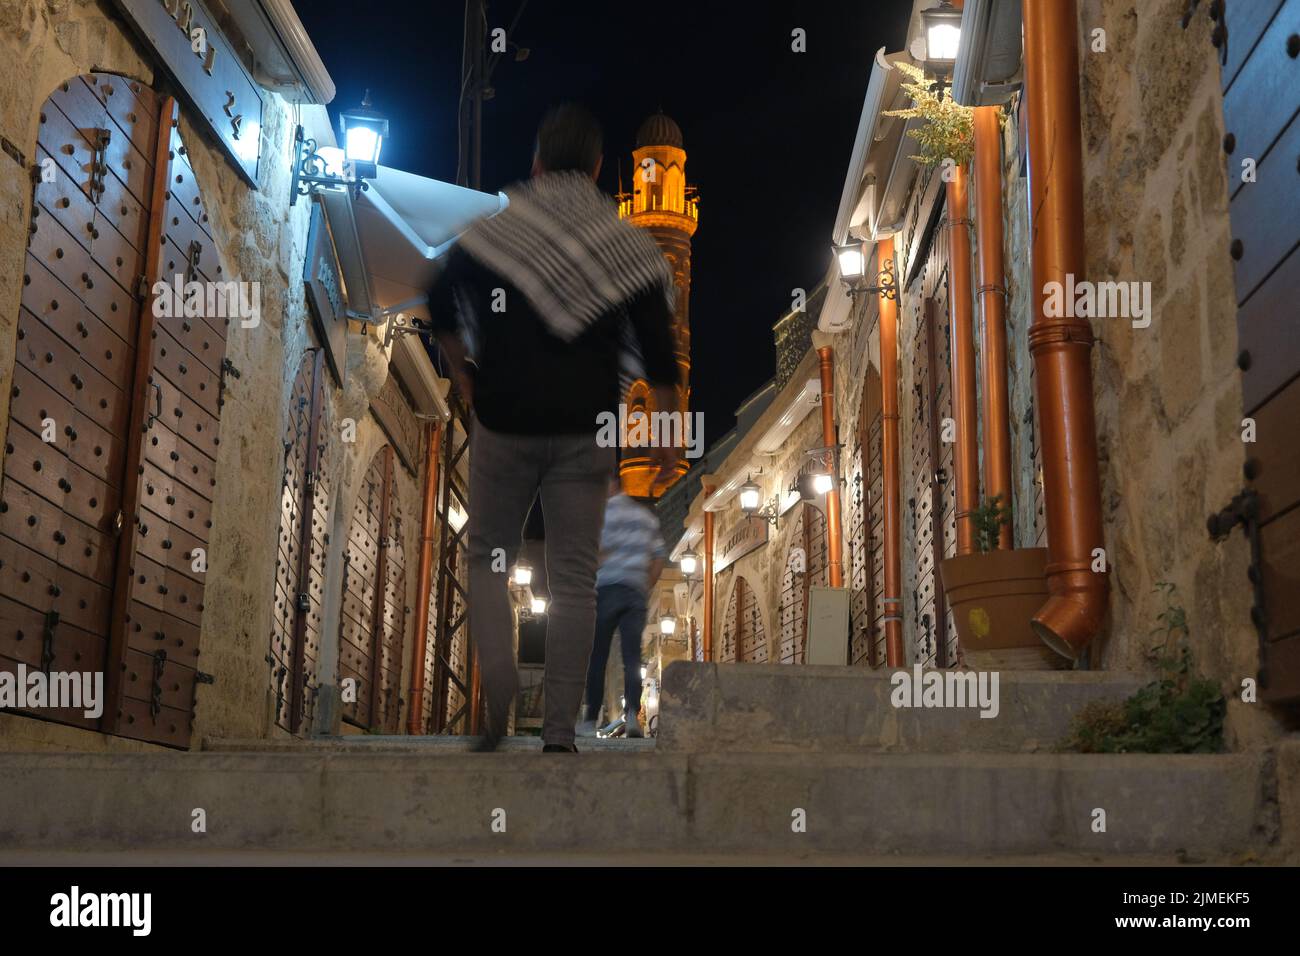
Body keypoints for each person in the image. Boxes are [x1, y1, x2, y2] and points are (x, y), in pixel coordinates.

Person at [426, 103, 678, 753]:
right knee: (573, 579)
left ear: (536, 159)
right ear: (599, 168)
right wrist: (670, 430)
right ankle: (561, 730)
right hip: (585, 433)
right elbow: (659, 353)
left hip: (503, 421)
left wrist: (462, 374)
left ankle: (500, 683)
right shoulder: (627, 244)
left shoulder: (499, 222)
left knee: (487, 556)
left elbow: (440, 297)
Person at [578, 472, 667, 739]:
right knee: (632, 658)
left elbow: (594, 554)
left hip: (607, 589)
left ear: (610, 486)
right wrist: (645, 585)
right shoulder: (646, 519)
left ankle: (589, 720)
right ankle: (631, 718)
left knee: (597, 657)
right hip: (635, 592)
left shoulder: (602, 515)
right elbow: (660, 556)